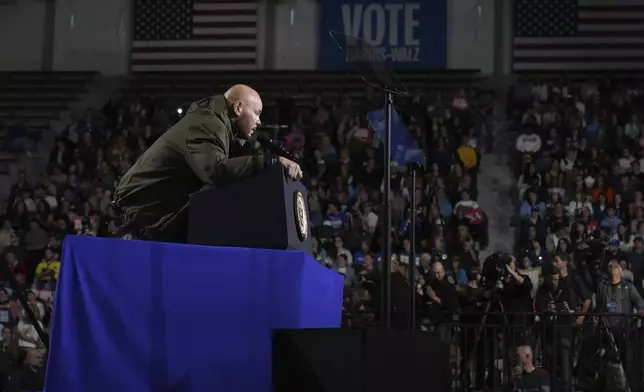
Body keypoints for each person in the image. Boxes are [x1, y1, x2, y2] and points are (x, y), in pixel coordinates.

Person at [112, 85, 302, 242]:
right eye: (257, 113)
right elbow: (214, 170)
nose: (259, 121)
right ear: (238, 108)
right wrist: (270, 161)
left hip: (152, 211)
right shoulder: (208, 124)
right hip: (138, 211)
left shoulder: (218, 125)